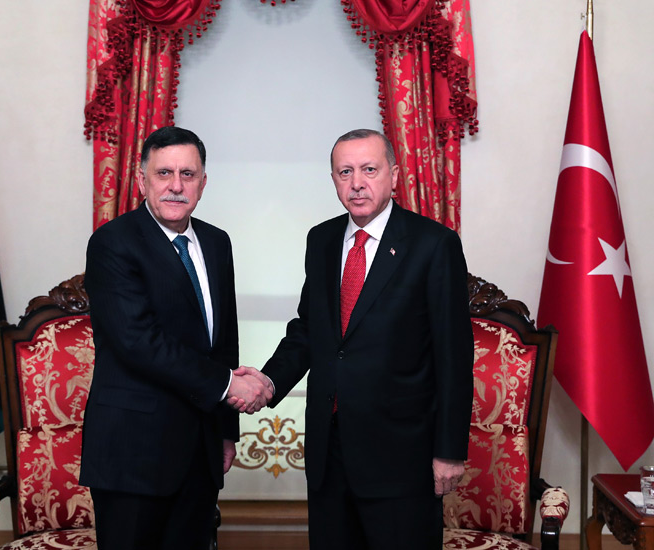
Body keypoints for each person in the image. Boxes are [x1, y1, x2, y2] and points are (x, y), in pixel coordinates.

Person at [234, 129, 474, 549]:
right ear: (333, 179)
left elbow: (453, 354)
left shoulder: (433, 244)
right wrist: (269, 382)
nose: (357, 182)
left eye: (369, 169)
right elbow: (310, 328)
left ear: (394, 175)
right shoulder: (322, 240)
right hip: (330, 453)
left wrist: (450, 450)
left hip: (402, 456)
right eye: (345, 172)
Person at [80, 126, 272, 550]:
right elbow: (137, 341)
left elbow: (223, 343)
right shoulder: (113, 243)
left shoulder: (217, 243)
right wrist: (229, 386)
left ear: (204, 182)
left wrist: (226, 430)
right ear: (141, 178)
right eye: (164, 173)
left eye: (188, 174)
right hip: (132, 452)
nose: (176, 185)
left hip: (199, 451)